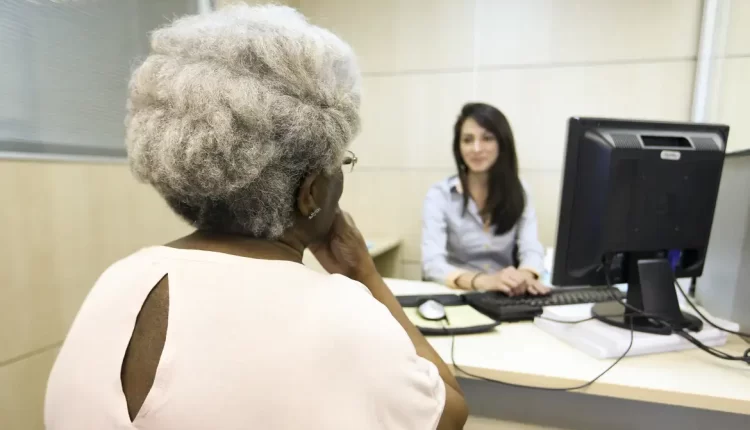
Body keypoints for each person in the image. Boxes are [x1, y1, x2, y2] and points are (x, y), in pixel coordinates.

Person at [44, 5, 468, 430]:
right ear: (310, 191)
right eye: (342, 162)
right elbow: (450, 414)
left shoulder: (118, 281)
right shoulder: (345, 315)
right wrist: (367, 276)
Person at [422, 102, 550, 296]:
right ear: (458, 147)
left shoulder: (520, 190)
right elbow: (432, 263)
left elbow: (531, 248)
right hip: (459, 293)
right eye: (467, 140)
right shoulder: (440, 195)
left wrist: (524, 276)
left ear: (502, 143)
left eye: (487, 138)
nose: (476, 148)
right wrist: (484, 281)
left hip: (506, 293)